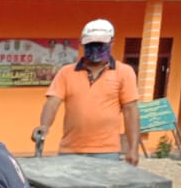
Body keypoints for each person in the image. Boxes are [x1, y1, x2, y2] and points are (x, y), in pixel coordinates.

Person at [32, 19, 140, 165]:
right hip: (70, 150)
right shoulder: (66, 72)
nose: (95, 48)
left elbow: (130, 110)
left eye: (100, 44)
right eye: (91, 44)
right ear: (82, 42)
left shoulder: (124, 72)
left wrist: (133, 148)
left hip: (106, 152)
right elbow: (53, 102)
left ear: (112, 42)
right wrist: (44, 125)